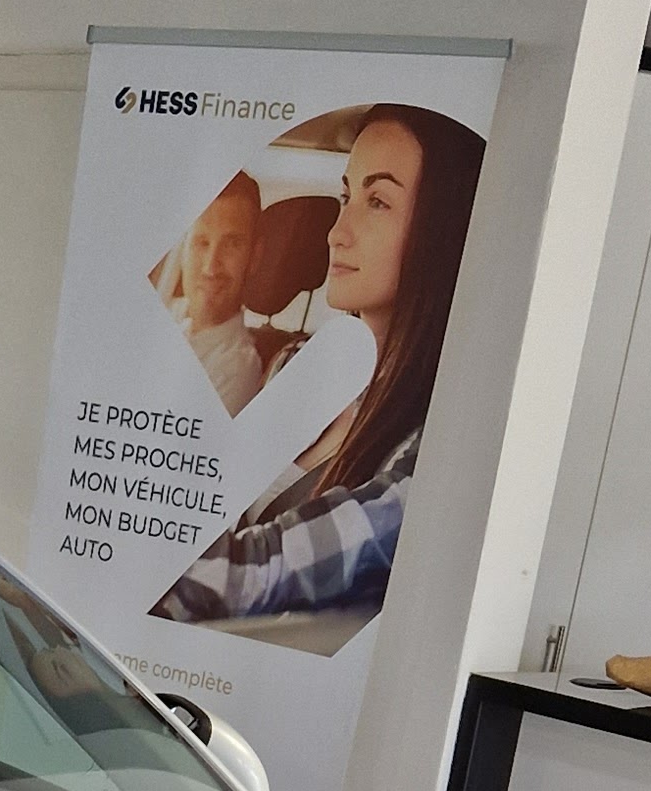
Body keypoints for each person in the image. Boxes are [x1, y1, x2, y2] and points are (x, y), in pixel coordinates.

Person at [153, 104, 487, 625]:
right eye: (346, 197)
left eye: (378, 202)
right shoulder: (297, 368)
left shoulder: (438, 442)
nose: (336, 233)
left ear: (442, 232)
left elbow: (233, 580)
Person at [160, 170, 266, 415]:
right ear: (183, 249)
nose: (211, 268)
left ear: (254, 257)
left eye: (232, 245)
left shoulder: (236, 368)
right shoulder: (162, 312)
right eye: (202, 243)